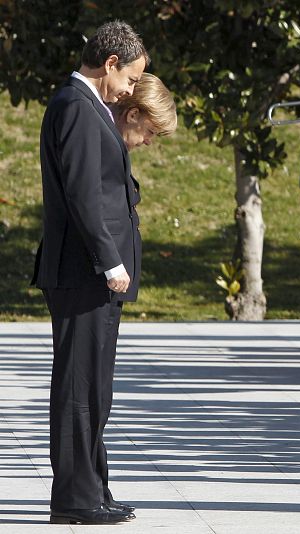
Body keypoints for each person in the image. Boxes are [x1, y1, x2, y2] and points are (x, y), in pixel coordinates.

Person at [32, 20, 149, 525]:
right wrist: (110, 260)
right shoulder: (77, 107)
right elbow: (83, 194)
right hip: (85, 272)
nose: (129, 90)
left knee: (95, 388)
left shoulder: (85, 106)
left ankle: (93, 488)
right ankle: (76, 499)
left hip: (90, 273)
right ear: (110, 64)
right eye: (130, 78)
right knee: (80, 388)